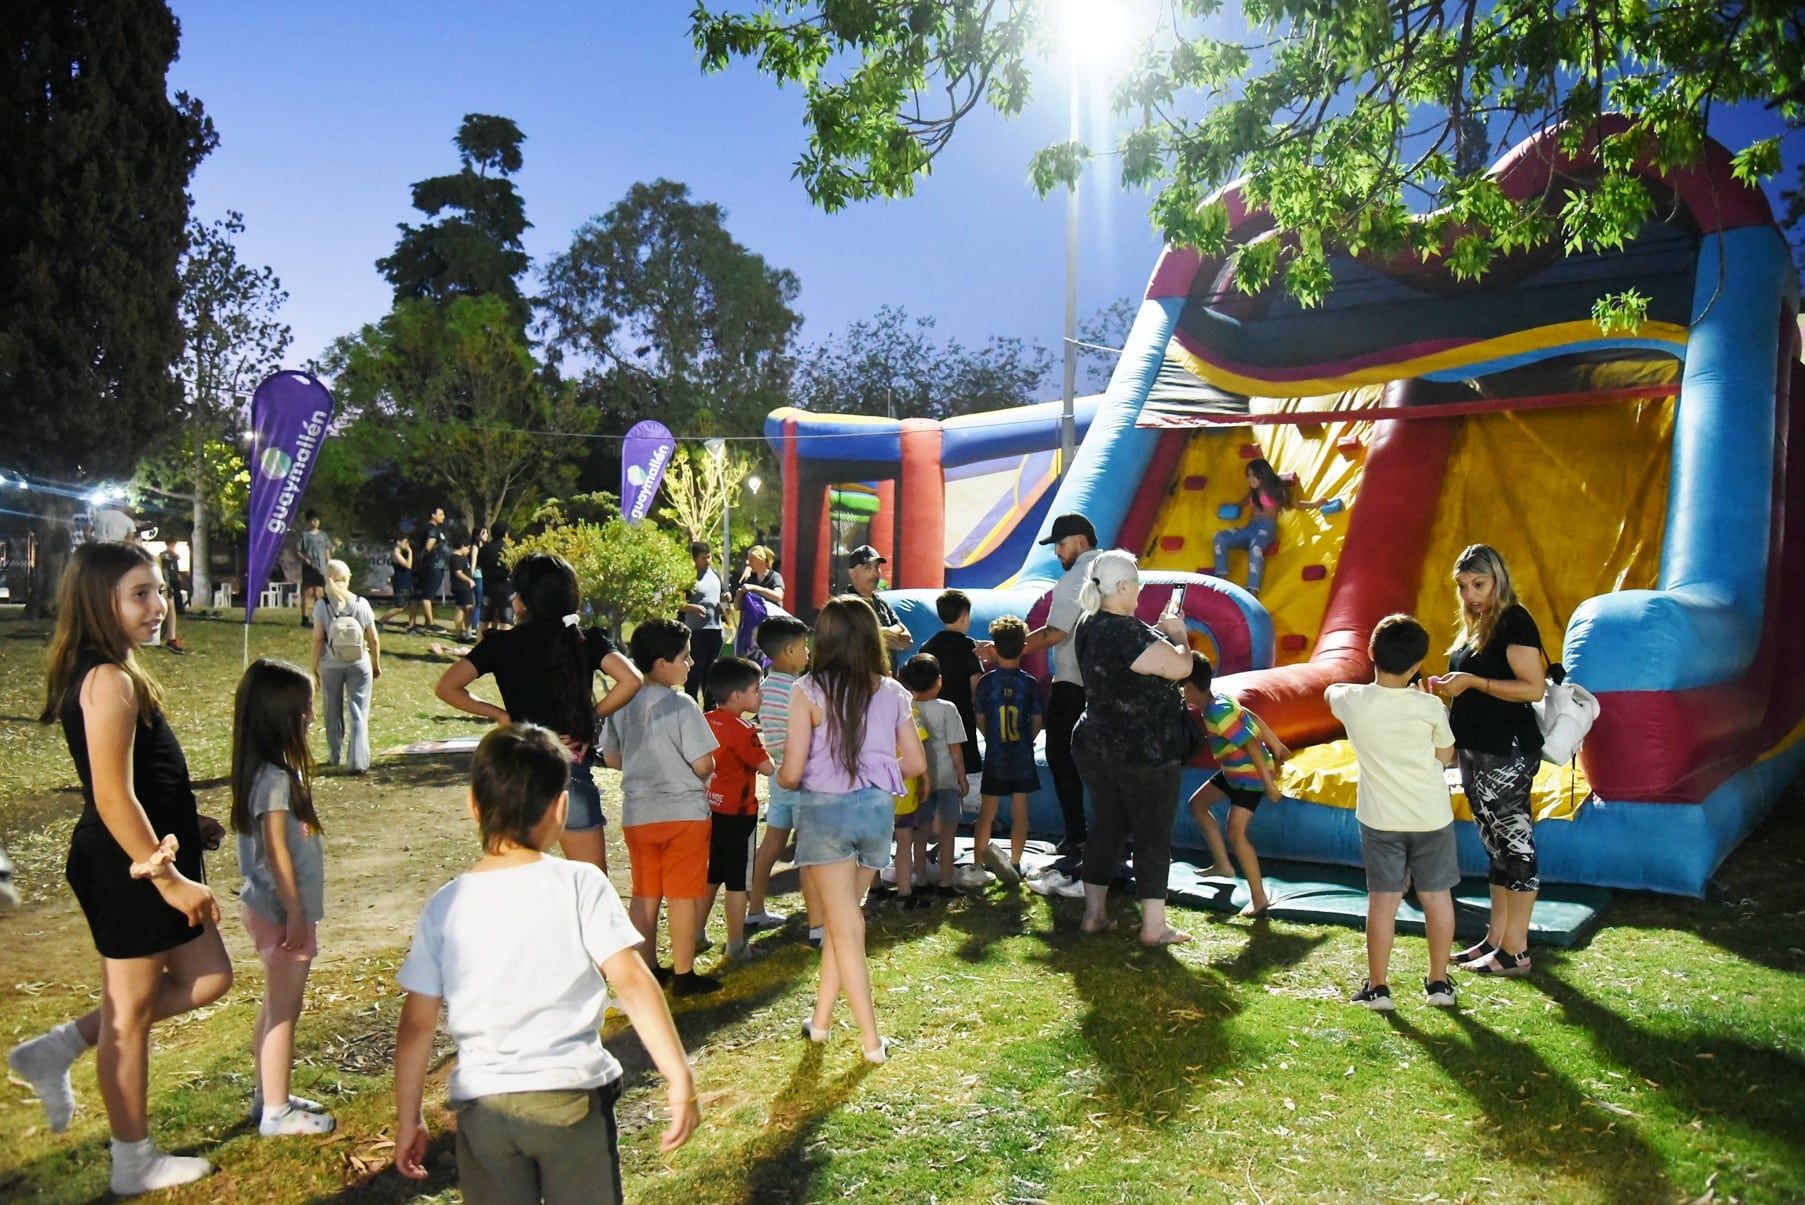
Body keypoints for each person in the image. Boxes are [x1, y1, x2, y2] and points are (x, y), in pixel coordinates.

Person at [9, 542, 232, 1195]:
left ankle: (58, 1046)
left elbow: (141, 781)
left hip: (147, 848)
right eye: (141, 593)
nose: (159, 605)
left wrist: (186, 829)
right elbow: (111, 794)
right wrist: (167, 874)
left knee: (208, 976)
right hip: (129, 863)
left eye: (160, 590)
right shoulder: (106, 677)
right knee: (131, 1013)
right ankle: (132, 1159)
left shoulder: (117, 669)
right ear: (98, 601)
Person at [393, 725, 699, 1200]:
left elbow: (415, 1025)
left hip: (484, 1110)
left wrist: (409, 1115)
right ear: (560, 807)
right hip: (571, 1099)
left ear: (473, 805)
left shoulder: (444, 906)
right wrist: (678, 1074)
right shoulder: (582, 884)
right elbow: (635, 985)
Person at [779, 595, 926, 1061]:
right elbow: (917, 763)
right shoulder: (892, 691)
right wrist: (878, 772)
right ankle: (820, 1023)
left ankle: (871, 1042)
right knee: (846, 923)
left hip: (825, 815)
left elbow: (790, 771)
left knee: (846, 926)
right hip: (876, 814)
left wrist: (778, 772)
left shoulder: (806, 691)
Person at [435, 553, 641, 875]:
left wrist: (500, 716)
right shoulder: (585, 640)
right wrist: (590, 716)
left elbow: (447, 687)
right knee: (591, 883)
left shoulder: (501, 644)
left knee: (514, 877)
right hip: (570, 767)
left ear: (523, 600)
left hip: (519, 773)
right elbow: (631, 679)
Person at [1327, 614, 1461, 1010]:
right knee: (1437, 898)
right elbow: (1445, 755)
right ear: (1418, 665)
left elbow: (1331, 690)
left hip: (1380, 819)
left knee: (1383, 901)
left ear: (1370, 652)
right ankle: (1438, 983)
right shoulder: (1430, 707)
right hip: (1431, 816)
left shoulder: (1351, 701)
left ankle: (1379, 987)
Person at [230, 658, 337, 1134]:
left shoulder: (267, 773)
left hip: (271, 910)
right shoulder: (273, 780)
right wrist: (295, 914)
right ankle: (276, 1113)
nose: (311, 719)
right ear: (285, 718)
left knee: (275, 1006)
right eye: (306, 711)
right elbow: (275, 850)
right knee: (284, 1012)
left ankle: (267, 1094)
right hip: (280, 914)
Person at [1070, 550, 1195, 946]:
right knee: (1152, 834)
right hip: (1143, 750)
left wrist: (1158, 633)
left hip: (1095, 742)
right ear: (1122, 587)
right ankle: (1153, 927)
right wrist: (1179, 634)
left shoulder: (1089, 622)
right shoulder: (1124, 631)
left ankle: (1094, 915)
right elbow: (1180, 668)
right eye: (1137, 585)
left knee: (1106, 826)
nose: (1140, 592)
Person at [1432, 543, 1546, 977]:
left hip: (1507, 750)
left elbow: (1532, 688)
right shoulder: (1476, 624)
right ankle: (1496, 939)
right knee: (1495, 846)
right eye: (1462, 586)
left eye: (1478, 584)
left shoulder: (1514, 620)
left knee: (1516, 845)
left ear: (1498, 579)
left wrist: (1473, 682)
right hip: (1475, 750)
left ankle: (1516, 949)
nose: (1470, 594)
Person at [601, 618, 721, 996]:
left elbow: (613, 758)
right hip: (684, 814)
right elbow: (704, 763)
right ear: (660, 662)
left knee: (645, 893)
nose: (690, 665)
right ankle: (684, 973)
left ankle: (646, 968)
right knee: (683, 894)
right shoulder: (682, 705)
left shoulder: (622, 703)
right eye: (684, 658)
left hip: (638, 813)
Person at [1182, 653, 1287, 917]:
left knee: (1237, 834)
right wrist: (1274, 742)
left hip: (1249, 776)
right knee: (1197, 805)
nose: (1181, 692)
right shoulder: (1218, 699)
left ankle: (1259, 897)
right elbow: (1248, 713)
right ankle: (1222, 864)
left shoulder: (1218, 713)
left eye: (1181, 686)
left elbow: (1250, 743)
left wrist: (1269, 785)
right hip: (1233, 771)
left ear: (1191, 688)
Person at [1022, 513, 1101, 857]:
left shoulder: (1074, 580)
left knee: (1059, 753)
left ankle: (1077, 834)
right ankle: (1112, 836)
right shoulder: (1115, 570)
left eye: (1061, 544)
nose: (1057, 553)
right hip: (1107, 685)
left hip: (1073, 684)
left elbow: (1056, 633)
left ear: (1080, 540)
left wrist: (1005, 649)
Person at [745, 614, 818, 942]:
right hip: (803, 776)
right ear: (789, 650)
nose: (807, 654)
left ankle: (755, 908)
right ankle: (816, 919)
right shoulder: (799, 690)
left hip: (778, 774)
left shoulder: (764, 689)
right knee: (809, 850)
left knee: (772, 842)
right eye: (804, 648)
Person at [701, 657, 775, 961]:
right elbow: (768, 768)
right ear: (737, 696)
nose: (760, 696)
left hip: (710, 810)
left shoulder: (704, 719)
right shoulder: (745, 731)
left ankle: (695, 931)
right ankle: (735, 943)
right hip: (739, 814)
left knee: (711, 875)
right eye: (756, 690)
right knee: (737, 882)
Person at [972, 616, 1042, 886]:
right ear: (1024, 647)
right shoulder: (1030, 683)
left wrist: (989, 738)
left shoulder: (987, 683)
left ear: (994, 649)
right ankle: (1015, 862)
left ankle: (978, 865)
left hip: (996, 755)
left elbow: (979, 717)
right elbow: (1036, 720)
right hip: (1021, 755)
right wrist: (1027, 739)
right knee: (1020, 810)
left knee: (987, 813)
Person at [899, 654, 969, 898]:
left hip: (918, 781)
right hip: (947, 779)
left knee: (920, 833)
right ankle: (946, 882)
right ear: (939, 681)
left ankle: (920, 879)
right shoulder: (948, 709)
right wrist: (962, 777)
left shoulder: (907, 709)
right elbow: (955, 749)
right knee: (949, 833)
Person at [1210, 458, 1324, 597]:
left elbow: (1296, 504)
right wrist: (1231, 508)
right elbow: (1241, 503)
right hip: (1250, 528)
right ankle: (1220, 576)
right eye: (1248, 475)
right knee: (1220, 536)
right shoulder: (1253, 492)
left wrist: (1316, 504)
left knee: (1256, 548)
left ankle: (1253, 589)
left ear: (1263, 474)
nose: (1250, 479)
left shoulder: (1277, 490)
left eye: (1253, 475)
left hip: (1266, 529)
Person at [310, 559, 381, 773]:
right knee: (359, 711)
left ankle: (334, 755)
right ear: (347, 579)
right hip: (359, 662)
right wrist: (376, 664)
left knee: (331, 709)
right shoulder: (361, 603)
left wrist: (313, 667)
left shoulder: (322, 605)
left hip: (331, 663)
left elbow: (317, 639)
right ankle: (358, 761)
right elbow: (374, 639)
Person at [918, 589, 986, 783]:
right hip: (962, 713)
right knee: (964, 759)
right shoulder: (968, 646)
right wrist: (977, 706)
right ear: (964, 616)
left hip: (932, 715)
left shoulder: (927, 647)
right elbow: (976, 682)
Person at [846, 545, 912, 672]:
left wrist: (880, 634)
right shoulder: (846, 604)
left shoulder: (882, 604)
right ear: (852, 572)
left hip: (887, 682)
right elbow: (854, 641)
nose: (874, 573)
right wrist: (885, 634)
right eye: (867, 568)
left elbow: (908, 640)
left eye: (877, 567)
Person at [680, 540, 725, 705]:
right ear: (694, 558)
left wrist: (725, 598)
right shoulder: (688, 578)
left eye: (709, 557)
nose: (707, 561)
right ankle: (690, 703)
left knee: (711, 670)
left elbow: (720, 595)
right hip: (697, 631)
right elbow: (675, 603)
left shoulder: (714, 573)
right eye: (703, 558)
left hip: (715, 629)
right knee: (695, 670)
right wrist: (692, 608)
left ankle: (710, 707)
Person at [412, 506, 449, 632]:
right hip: (433, 566)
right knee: (427, 595)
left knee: (426, 595)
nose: (443, 516)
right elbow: (428, 546)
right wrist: (421, 559)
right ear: (433, 515)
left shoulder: (434, 528)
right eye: (441, 514)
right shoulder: (432, 528)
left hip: (435, 565)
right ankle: (430, 624)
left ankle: (425, 622)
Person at [296, 511, 335, 628]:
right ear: (308, 522)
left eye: (317, 520)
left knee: (319, 593)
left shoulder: (323, 535)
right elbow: (298, 550)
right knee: (307, 592)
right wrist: (305, 560)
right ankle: (304, 618)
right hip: (309, 567)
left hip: (321, 568)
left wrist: (329, 563)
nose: (315, 523)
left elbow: (327, 550)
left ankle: (319, 617)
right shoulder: (304, 535)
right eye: (313, 520)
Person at [476, 521, 514, 635]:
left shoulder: (484, 550)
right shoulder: (509, 550)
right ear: (506, 533)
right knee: (506, 622)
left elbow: (480, 566)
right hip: (506, 590)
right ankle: (502, 651)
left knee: (484, 622)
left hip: (488, 589)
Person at [376, 532, 414, 628]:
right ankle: (380, 622)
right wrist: (410, 552)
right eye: (405, 542)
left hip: (407, 580)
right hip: (401, 582)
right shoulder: (396, 554)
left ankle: (411, 625)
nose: (407, 544)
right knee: (399, 607)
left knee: (413, 604)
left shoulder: (401, 553)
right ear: (398, 542)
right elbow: (408, 565)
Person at [734, 544, 785, 611]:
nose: (749, 563)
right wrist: (739, 595)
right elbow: (737, 607)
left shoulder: (775, 577)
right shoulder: (751, 579)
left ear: (761, 560)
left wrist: (755, 588)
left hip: (772, 619)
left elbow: (778, 596)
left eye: (752, 560)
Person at [156, 543, 186, 654]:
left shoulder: (168, 555)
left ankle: (171, 638)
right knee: (168, 602)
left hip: (166, 579)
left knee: (170, 602)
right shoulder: (164, 555)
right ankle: (169, 638)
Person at [448, 534, 477, 640]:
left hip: (464, 587)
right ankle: (459, 632)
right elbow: (458, 572)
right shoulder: (456, 557)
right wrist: (469, 580)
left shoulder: (461, 557)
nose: (469, 550)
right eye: (468, 548)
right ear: (462, 546)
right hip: (461, 586)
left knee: (467, 608)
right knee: (462, 608)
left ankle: (466, 631)